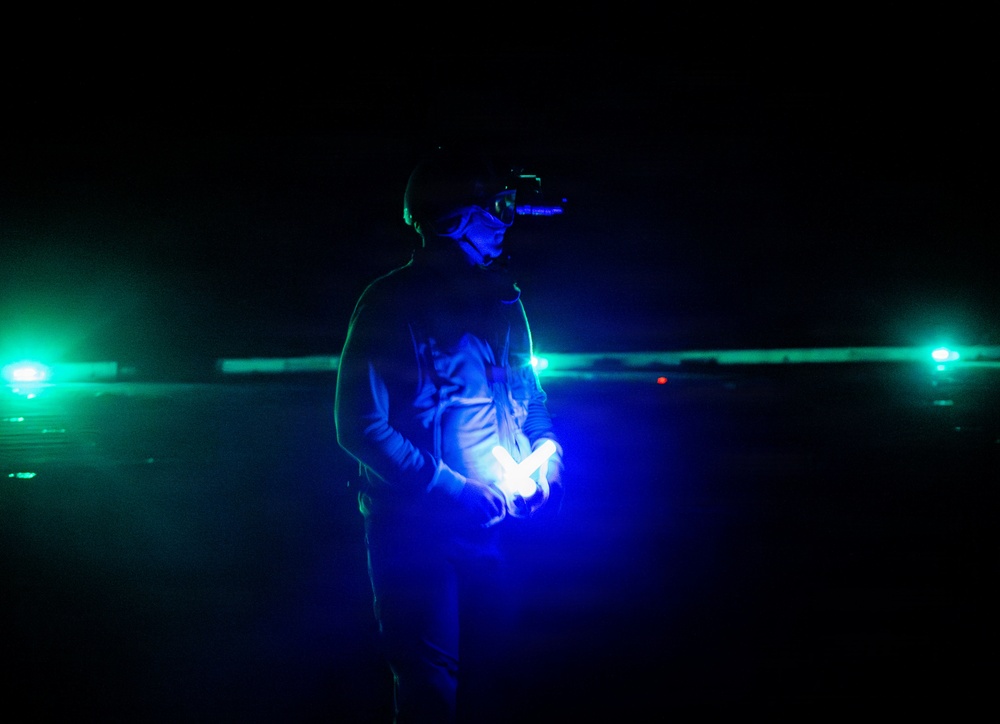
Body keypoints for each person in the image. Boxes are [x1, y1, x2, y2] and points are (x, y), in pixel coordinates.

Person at [334, 146, 564, 723]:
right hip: (416, 534)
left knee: (504, 680)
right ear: (458, 218)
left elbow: (530, 395)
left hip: (502, 527)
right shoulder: (389, 304)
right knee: (431, 688)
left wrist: (547, 456)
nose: (507, 223)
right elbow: (360, 425)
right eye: (500, 207)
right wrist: (453, 491)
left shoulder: (506, 299)